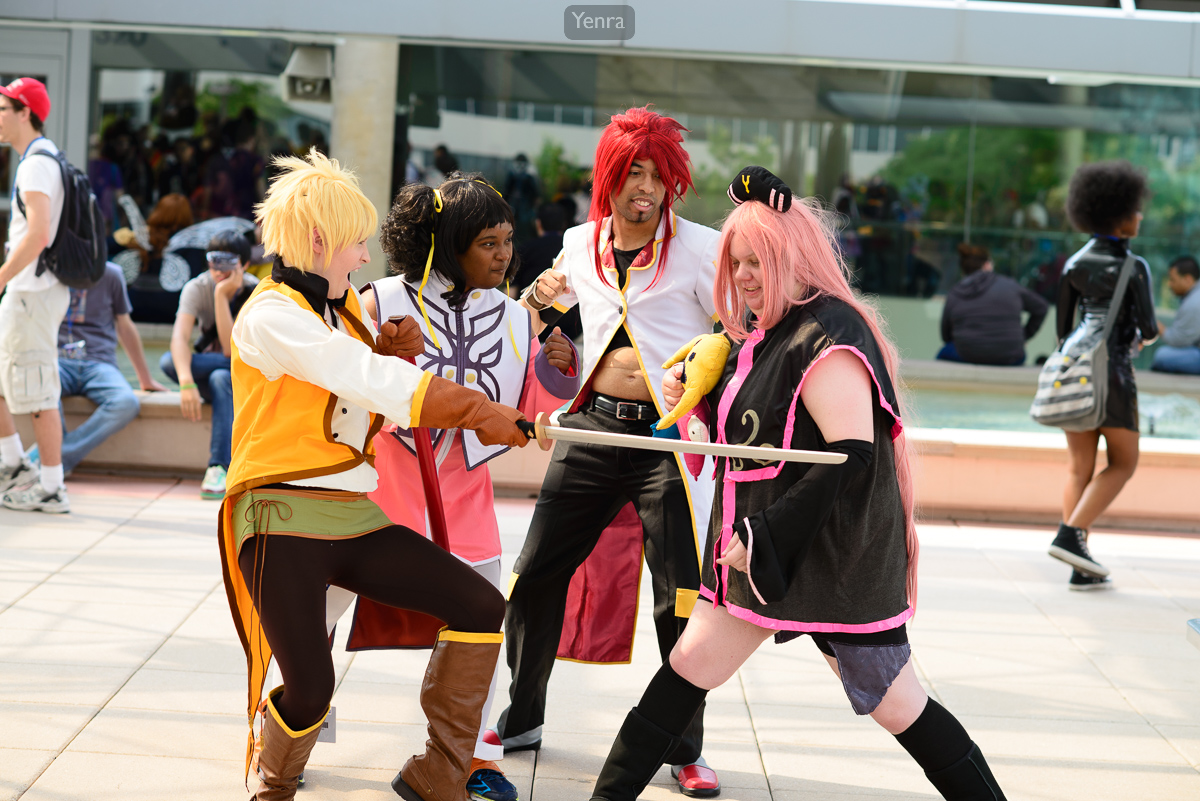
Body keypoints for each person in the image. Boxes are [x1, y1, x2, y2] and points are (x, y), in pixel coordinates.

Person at [588, 166, 1008, 801]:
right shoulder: (767, 331)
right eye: (737, 263)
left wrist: (762, 535)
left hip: (830, 559)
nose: (745, 277)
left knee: (898, 705)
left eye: (761, 260)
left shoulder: (829, 336)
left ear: (797, 256)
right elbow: (766, 431)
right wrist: (696, 405)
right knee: (688, 667)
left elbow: (850, 460)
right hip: (760, 552)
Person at [220, 149, 530, 801]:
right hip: (280, 517)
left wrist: (384, 348)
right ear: (315, 240)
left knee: (479, 603)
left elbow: (357, 388)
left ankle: (441, 768)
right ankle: (273, 783)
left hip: (352, 515)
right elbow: (359, 377)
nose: (363, 256)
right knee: (310, 686)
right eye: (353, 243)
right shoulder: (271, 315)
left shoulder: (342, 312)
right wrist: (474, 407)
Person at [324, 173, 580, 801]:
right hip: (376, 488)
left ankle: (460, 757)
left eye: (507, 241)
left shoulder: (516, 319)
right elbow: (338, 392)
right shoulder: (377, 301)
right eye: (490, 243)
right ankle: (290, 728)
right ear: (444, 245)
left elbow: (531, 409)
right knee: (316, 610)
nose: (505, 255)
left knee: (482, 622)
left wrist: (557, 368)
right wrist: (381, 355)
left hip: (464, 495)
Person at [496, 106, 722, 797]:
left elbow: (738, 328)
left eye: (656, 174)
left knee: (679, 595)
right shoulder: (579, 240)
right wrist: (549, 323)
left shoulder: (701, 247)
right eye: (632, 173)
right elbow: (539, 301)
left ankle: (684, 746)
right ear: (611, 178)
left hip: (666, 439)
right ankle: (525, 712)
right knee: (535, 575)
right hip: (591, 425)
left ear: (672, 179)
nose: (644, 188)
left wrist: (709, 370)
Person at [1048, 161, 1157, 591]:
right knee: (1124, 463)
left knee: (1080, 468)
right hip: (1112, 373)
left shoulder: (1073, 263)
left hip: (1075, 369)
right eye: (1136, 208)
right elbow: (1147, 329)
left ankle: (1078, 562)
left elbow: (1062, 330)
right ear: (1119, 214)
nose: (1140, 216)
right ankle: (1070, 535)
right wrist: (1141, 339)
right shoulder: (1135, 267)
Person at [0, 77, 71, 514]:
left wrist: (2, 276)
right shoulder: (39, 159)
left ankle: (51, 486)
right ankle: (13, 465)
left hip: (32, 292)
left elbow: (39, 234)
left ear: (25, 111)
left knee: (38, 389)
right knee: (9, 379)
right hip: (30, 292)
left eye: (4, 109)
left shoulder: (35, 165)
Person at [24, 262, 166, 477]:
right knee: (42, 383)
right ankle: (53, 461)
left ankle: (53, 457)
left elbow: (125, 327)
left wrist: (145, 379)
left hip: (100, 363)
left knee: (126, 403)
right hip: (58, 360)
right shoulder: (48, 272)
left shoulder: (112, 274)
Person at [160, 230, 258, 499]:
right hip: (216, 369)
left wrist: (221, 297)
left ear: (244, 264)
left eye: (228, 262)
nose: (219, 270)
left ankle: (218, 466)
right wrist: (186, 383)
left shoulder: (254, 290)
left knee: (221, 378)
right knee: (170, 362)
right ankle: (220, 468)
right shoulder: (196, 286)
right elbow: (179, 338)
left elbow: (231, 351)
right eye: (214, 261)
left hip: (242, 373)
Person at [937, 243, 1048, 366]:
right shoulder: (1009, 285)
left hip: (966, 353)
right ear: (987, 265)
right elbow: (1041, 307)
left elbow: (946, 335)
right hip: (1011, 355)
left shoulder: (956, 292)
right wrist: (1023, 336)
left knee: (943, 353)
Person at [1151, 255, 1200, 375]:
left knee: (1162, 355)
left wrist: (1154, 324)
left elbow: (1178, 341)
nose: (1169, 284)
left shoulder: (1194, 302)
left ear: (1188, 279)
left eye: (1173, 280)